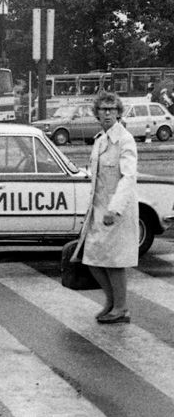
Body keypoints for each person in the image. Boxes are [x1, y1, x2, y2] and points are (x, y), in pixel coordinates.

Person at [81, 90, 139, 324]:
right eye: (103, 109)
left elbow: (129, 177)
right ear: (96, 113)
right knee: (92, 258)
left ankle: (121, 308)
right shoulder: (100, 140)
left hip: (116, 210)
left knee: (114, 262)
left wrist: (114, 209)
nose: (107, 114)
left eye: (111, 110)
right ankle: (111, 301)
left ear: (118, 113)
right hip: (98, 209)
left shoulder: (125, 140)